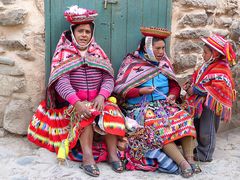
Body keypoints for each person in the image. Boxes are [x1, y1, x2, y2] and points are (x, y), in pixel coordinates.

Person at [27, 5, 125, 177]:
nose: (84, 35)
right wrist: (77, 103)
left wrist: (102, 96)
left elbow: (108, 78)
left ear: (92, 33)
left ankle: (112, 154)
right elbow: (61, 82)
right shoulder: (64, 53)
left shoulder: (98, 52)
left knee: (112, 111)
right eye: (80, 31)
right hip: (73, 103)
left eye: (87, 31)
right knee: (83, 115)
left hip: (97, 99)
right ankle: (88, 158)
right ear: (73, 32)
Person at [114, 27, 201, 178]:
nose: (162, 52)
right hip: (140, 108)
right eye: (158, 48)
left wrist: (173, 96)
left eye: (163, 48)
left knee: (185, 119)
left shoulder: (164, 63)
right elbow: (121, 91)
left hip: (164, 105)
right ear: (148, 48)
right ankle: (183, 164)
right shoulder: (132, 63)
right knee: (159, 127)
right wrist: (141, 91)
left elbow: (174, 85)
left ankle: (190, 159)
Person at [183, 34, 237, 162]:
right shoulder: (208, 64)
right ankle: (201, 148)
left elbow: (218, 88)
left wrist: (195, 90)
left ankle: (206, 154)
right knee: (199, 125)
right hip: (202, 103)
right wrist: (191, 82)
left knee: (207, 129)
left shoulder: (222, 68)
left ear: (215, 54)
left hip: (211, 105)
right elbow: (199, 77)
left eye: (206, 52)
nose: (203, 55)